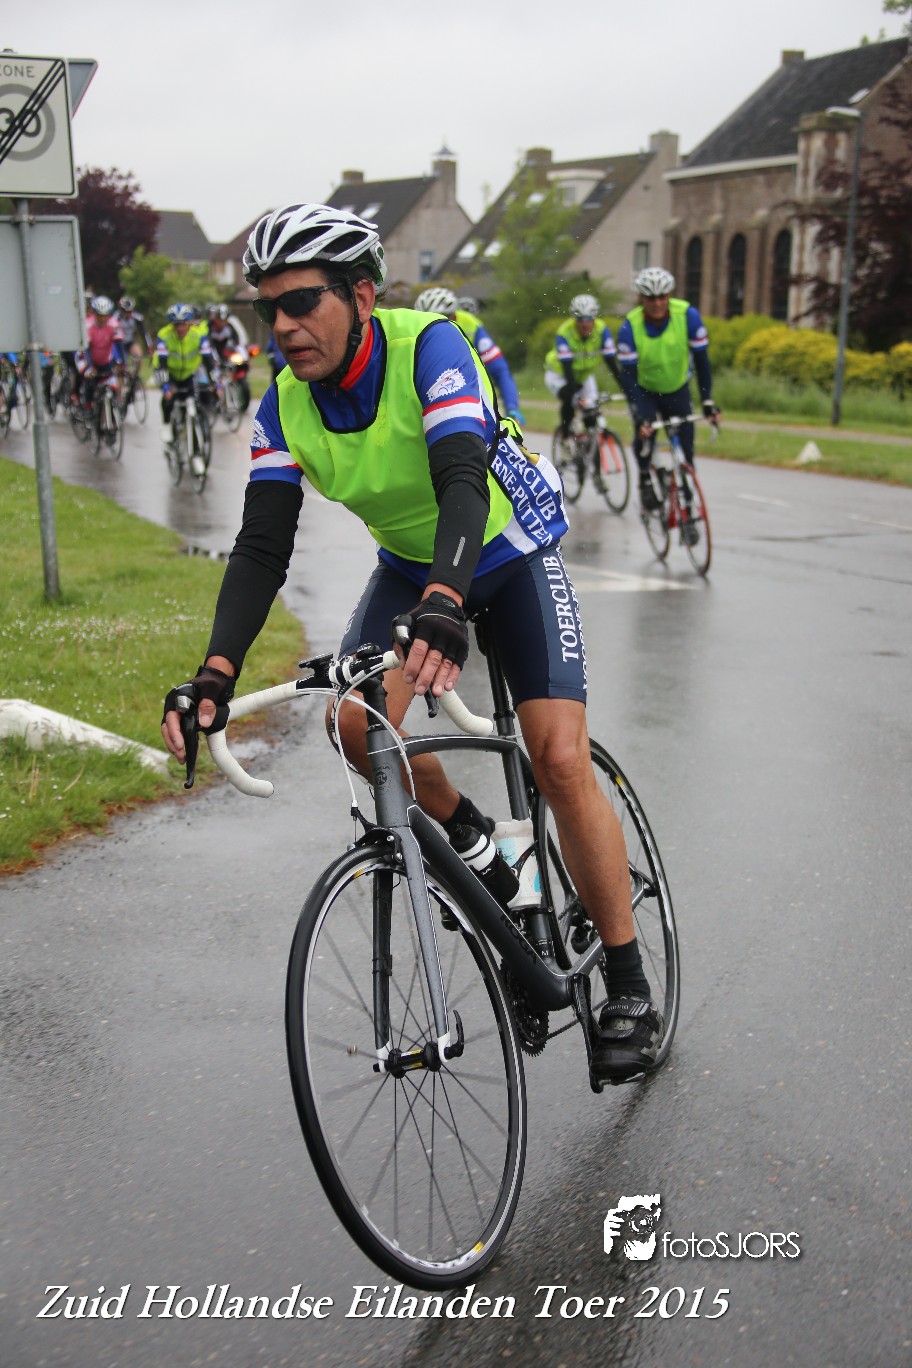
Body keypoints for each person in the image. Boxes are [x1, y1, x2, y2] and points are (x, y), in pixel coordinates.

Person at [160, 203, 663, 1081]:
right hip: (412, 567)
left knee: (556, 755)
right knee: (355, 726)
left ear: (362, 295)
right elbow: (263, 544)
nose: (284, 325)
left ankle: (627, 980)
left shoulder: (429, 346)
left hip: (505, 548)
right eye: (269, 308)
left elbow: (461, 477)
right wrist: (214, 672)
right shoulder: (283, 404)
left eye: (303, 301)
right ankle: (484, 848)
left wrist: (446, 599)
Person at [616, 267, 719, 519]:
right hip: (645, 391)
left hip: (677, 388)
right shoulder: (630, 327)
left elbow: (703, 362)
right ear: (641, 298)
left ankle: (688, 506)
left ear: (669, 295)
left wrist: (707, 400)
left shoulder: (688, 316)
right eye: (651, 298)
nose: (657, 303)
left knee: (687, 450)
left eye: (662, 297)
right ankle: (645, 479)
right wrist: (639, 415)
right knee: (645, 436)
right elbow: (628, 377)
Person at [413, 286, 525, 425]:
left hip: (470, 390)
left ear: (454, 316)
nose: (435, 327)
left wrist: (512, 407)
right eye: (427, 321)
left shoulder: (471, 325)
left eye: (442, 319)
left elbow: (500, 370)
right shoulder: (411, 330)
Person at [544, 293, 624, 438]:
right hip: (559, 374)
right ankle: (565, 434)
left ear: (594, 318)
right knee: (569, 397)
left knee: (591, 413)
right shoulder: (564, 333)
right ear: (575, 319)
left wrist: (625, 387)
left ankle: (590, 445)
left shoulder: (602, 330)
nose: (585, 324)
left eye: (589, 319)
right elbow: (567, 369)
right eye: (580, 320)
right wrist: (576, 395)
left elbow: (612, 362)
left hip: (584, 375)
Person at [153, 303, 219, 470]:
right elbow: (162, 363)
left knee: (193, 409)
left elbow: (208, 360)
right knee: (168, 398)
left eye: (183, 324)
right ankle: (167, 425)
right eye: (176, 325)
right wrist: (166, 386)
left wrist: (215, 382)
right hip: (169, 372)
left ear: (189, 323)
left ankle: (196, 453)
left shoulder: (198, 335)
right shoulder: (164, 335)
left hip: (189, 374)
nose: (180, 328)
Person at [73, 296, 125, 412]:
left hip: (104, 358)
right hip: (86, 356)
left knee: (113, 382)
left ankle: (114, 407)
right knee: (90, 377)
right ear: (94, 314)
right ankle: (87, 407)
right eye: (99, 315)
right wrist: (90, 367)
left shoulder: (114, 324)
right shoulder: (87, 325)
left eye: (105, 315)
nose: (102, 319)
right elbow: (86, 350)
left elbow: (119, 345)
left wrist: (122, 363)